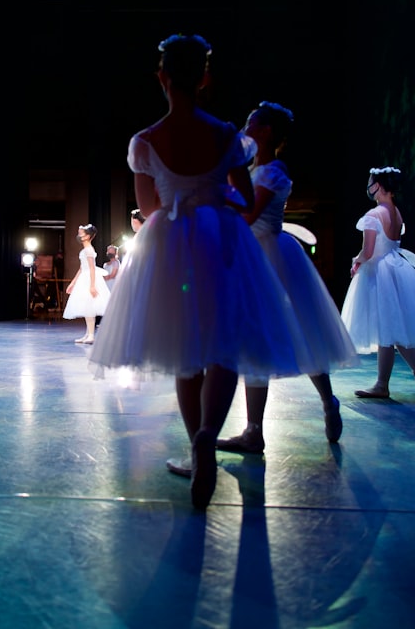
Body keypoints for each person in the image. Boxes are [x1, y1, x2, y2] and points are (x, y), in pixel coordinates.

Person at [90, 34, 309, 509]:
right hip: (223, 241)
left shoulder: (145, 141)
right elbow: (247, 200)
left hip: (172, 243)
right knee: (223, 345)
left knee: (185, 349)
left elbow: (148, 206)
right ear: (204, 78)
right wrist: (213, 200)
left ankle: (197, 446)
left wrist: (180, 202)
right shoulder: (227, 135)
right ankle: (211, 433)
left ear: (162, 78)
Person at [215, 102, 359, 455]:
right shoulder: (251, 170)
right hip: (250, 258)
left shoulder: (274, 170)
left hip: (274, 257)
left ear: (264, 131)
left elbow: (249, 214)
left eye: (251, 122)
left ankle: (328, 401)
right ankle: (252, 430)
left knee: (304, 333)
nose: (245, 126)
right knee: (253, 340)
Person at [340, 166, 415, 403]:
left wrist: (356, 261)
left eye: (371, 182)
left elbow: (368, 251)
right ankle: (397, 379)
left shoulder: (373, 215)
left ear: (379, 186)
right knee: (390, 331)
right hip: (397, 271)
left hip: (380, 274)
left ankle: (400, 378)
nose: (369, 186)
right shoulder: (396, 212)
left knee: (389, 330)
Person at [63, 224, 110, 343]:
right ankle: (88, 334)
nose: (79, 235)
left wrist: (92, 285)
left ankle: (91, 335)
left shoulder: (89, 249)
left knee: (90, 307)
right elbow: (81, 268)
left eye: (82, 233)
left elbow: (92, 268)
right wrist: (73, 283)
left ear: (88, 236)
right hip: (84, 277)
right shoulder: (85, 249)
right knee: (86, 308)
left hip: (89, 278)